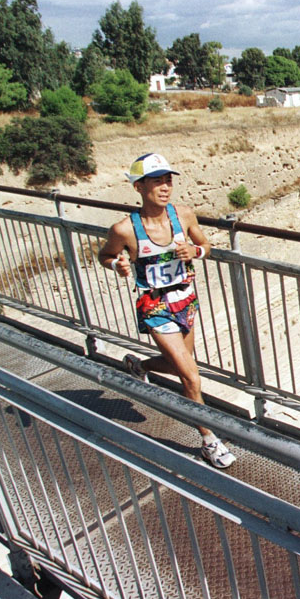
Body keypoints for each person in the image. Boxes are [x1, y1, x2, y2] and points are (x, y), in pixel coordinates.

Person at [98, 153, 235, 469]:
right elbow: (105, 255)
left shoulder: (183, 215)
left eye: (168, 181)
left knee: (180, 367)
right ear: (139, 187)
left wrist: (195, 251)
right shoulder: (124, 230)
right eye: (157, 181)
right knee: (191, 376)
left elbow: (206, 246)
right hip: (155, 306)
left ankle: (139, 366)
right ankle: (209, 441)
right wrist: (117, 265)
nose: (165, 187)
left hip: (186, 300)